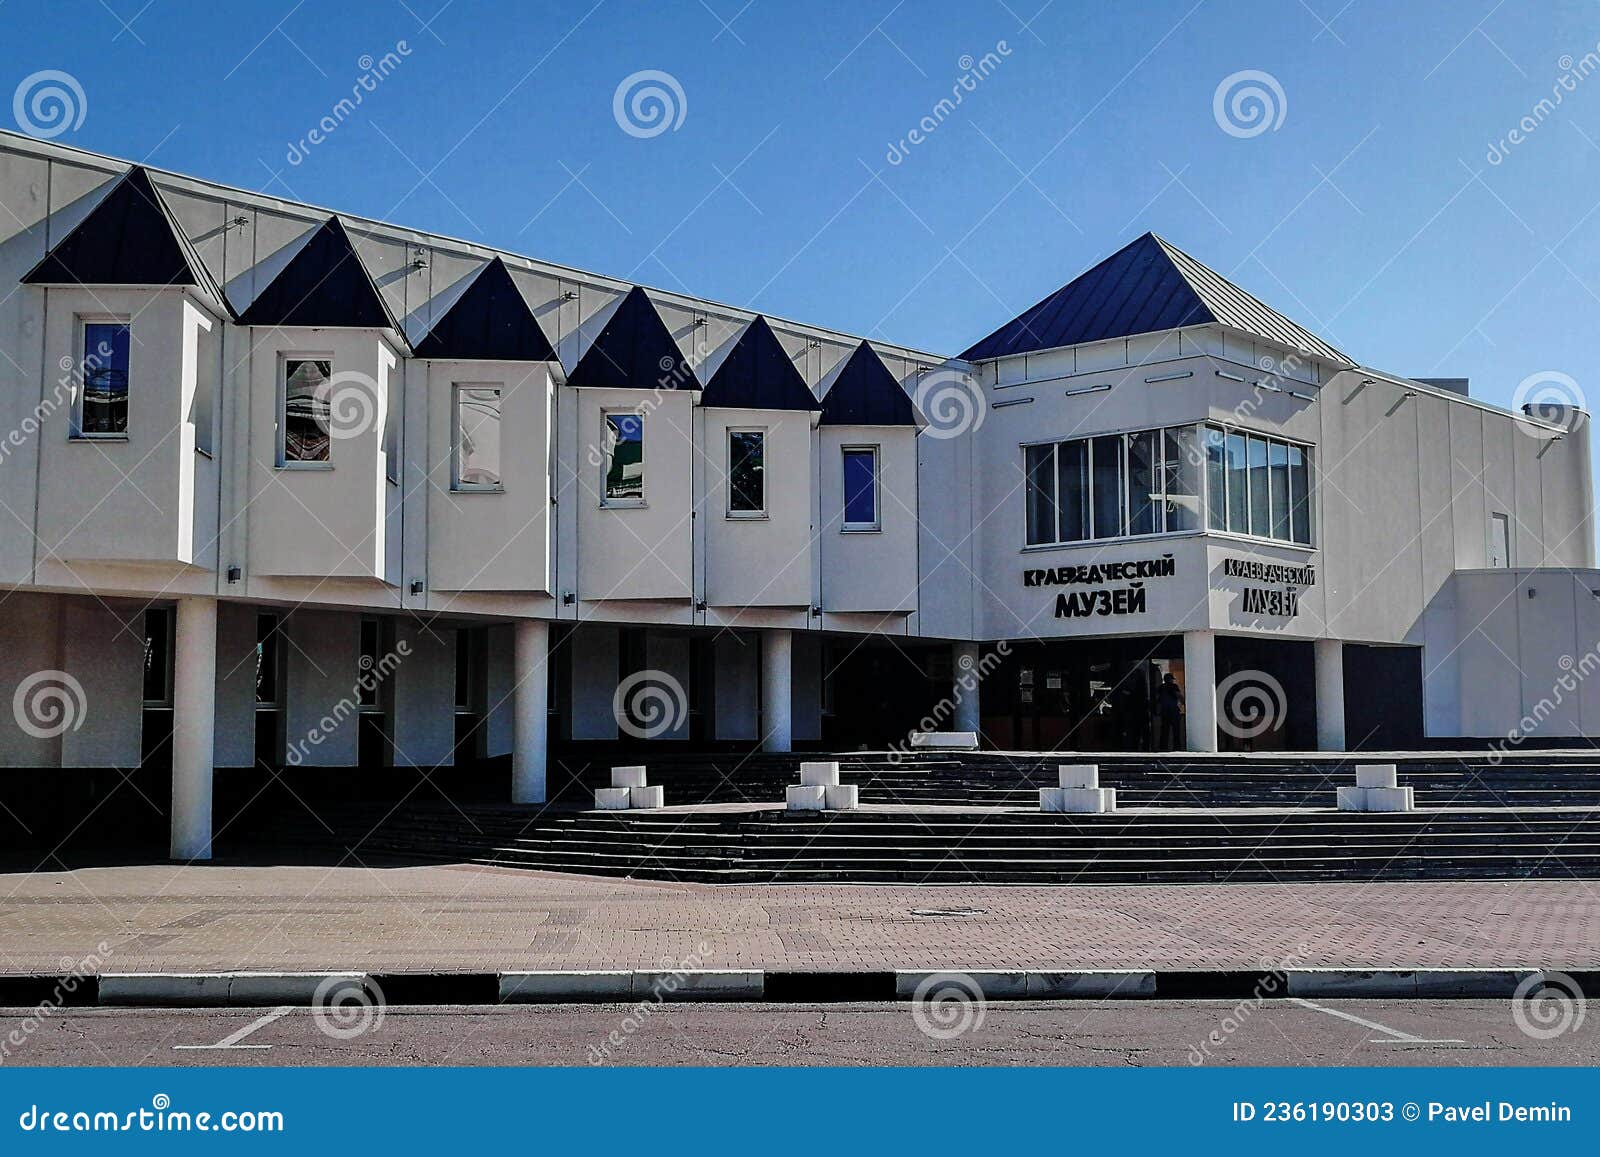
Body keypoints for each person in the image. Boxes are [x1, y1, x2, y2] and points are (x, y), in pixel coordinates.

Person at [1156, 673, 1183, 750]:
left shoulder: (1161, 687)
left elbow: (1157, 699)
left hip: (1164, 712)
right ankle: (1177, 748)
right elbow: (1178, 695)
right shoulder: (1174, 686)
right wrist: (1185, 703)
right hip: (1173, 711)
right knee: (1176, 732)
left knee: (1164, 731)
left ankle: (1163, 747)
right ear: (1170, 679)